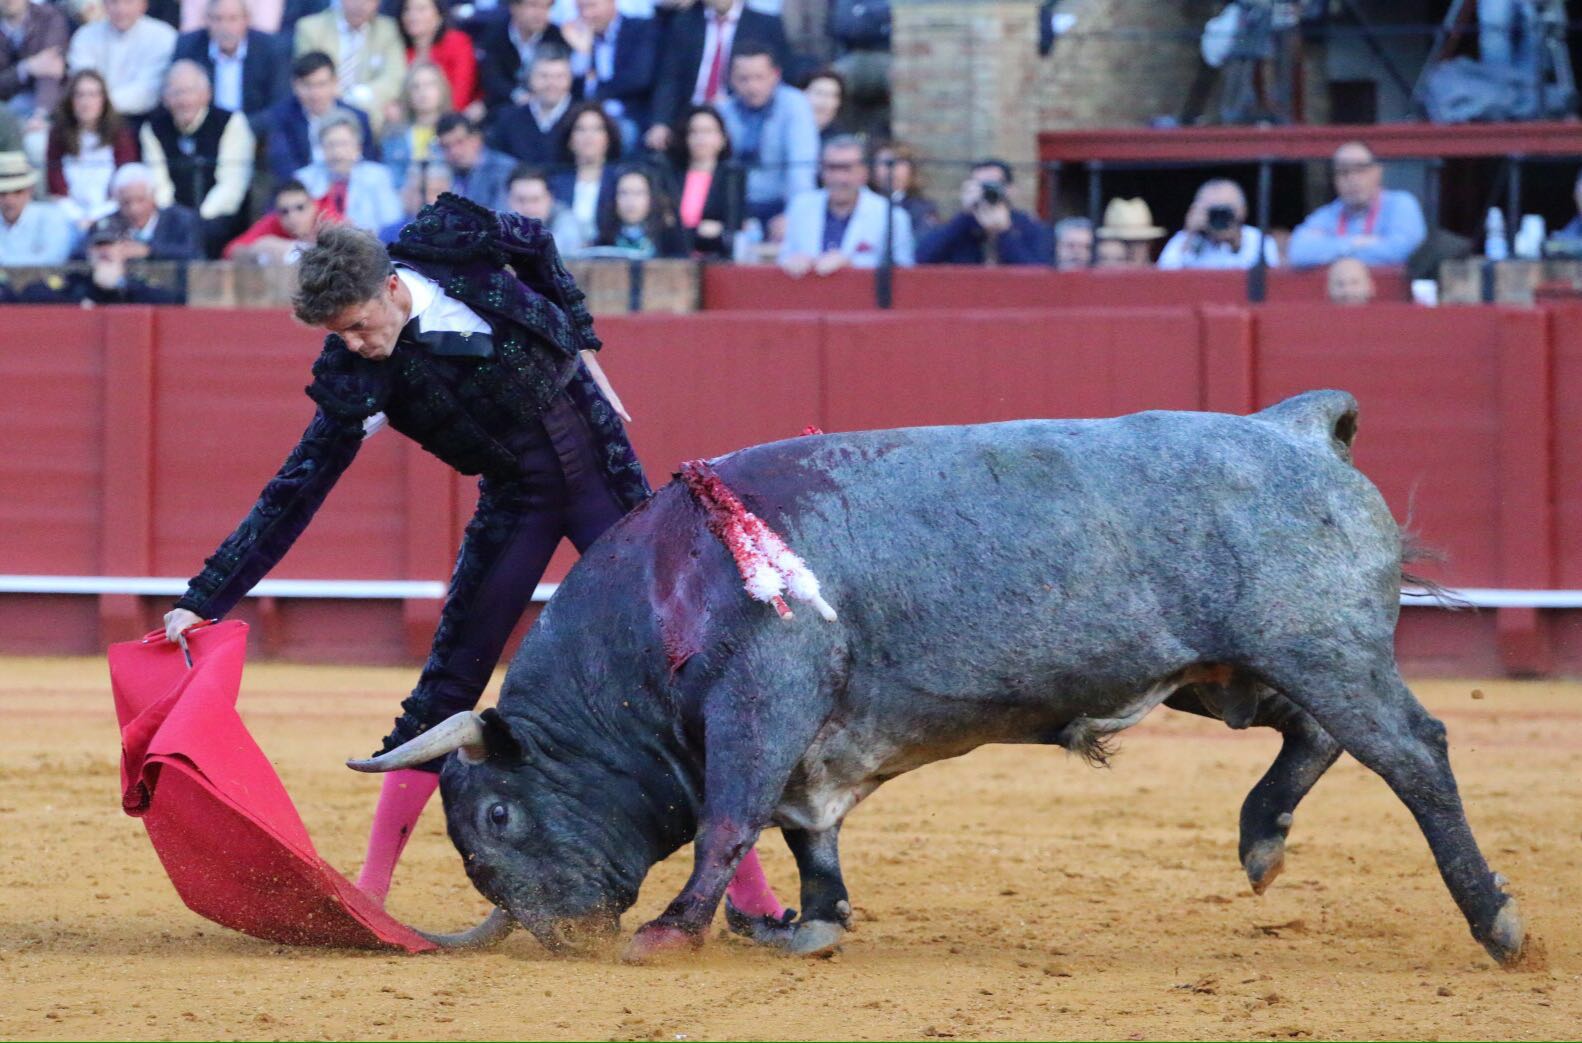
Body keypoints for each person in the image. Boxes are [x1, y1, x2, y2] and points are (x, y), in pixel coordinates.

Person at [159, 200, 794, 925]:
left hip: (603, 480)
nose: (358, 345)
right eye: (341, 334)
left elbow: (536, 239)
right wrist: (206, 595)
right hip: (519, 502)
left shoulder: (450, 248)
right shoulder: (358, 375)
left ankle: (752, 898)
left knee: (675, 667)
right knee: (448, 682)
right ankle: (372, 888)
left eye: (360, 325)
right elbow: (294, 490)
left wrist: (583, 343)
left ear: (392, 287)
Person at [139, 59, 255, 256]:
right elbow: (159, 183)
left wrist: (197, 220)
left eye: (190, 91)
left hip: (219, 215)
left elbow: (232, 185)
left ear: (206, 94)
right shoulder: (152, 129)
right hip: (172, 218)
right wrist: (176, 218)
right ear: (165, 98)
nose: (184, 100)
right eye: (176, 93)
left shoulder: (231, 123)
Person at [641, 0, 787, 151]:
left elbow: (778, 76)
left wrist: (733, 100)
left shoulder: (765, 25)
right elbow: (669, 78)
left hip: (741, 114)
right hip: (689, 113)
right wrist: (660, 122)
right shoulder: (684, 22)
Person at [778, 134, 912, 275]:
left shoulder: (891, 215)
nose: (838, 178)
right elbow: (785, 256)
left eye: (846, 169)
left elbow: (904, 271)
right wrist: (793, 262)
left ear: (864, 172)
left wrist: (852, 264)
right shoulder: (801, 206)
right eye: (831, 168)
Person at [717, 42, 815, 225]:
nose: (752, 86)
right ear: (731, 79)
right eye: (743, 79)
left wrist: (793, 216)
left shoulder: (795, 105)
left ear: (775, 76)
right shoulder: (723, 111)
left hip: (781, 204)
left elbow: (801, 167)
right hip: (734, 206)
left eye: (759, 77)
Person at [1287, 141, 1426, 269]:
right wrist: (1355, 242)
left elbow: (1400, 251)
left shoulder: (1401, 204)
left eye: (1360, 170)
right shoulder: (1327, 214)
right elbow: (1297, 253)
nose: (1352, 179)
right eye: (1343, 172)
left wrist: (1329, 248)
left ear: (1377, 172)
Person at [173, 0, 289, 135]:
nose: (225, 27)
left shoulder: (272, 49)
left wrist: (239, 131)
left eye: (233, 19)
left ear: (247, 20)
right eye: (217, 19)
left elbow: (280, 105)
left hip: (256, 133)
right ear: (206, 20)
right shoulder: (189, 46)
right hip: (204, 135)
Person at [263, 51, 378, 184]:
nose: (315, 93)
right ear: (295, 85)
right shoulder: (281, 117)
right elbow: (283, 166)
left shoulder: (358, 117)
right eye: (307, 85)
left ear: (335, 83)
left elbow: (368, 163)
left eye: (321, 84)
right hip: (302, 192)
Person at [46, 69, 139, 231]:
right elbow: (56, 188)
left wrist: (95, 217)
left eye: (93, 95)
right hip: (68, 216)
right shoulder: (57, 135)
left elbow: (125, 181)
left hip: (111, 213)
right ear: (71, 101)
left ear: (103, 99)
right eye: (80, 95)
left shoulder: (121, 135)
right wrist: (77, 218)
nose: (86, 102)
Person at [20, 211, 186, 301]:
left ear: (125, 248)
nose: (104, 251)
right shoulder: (77, 281)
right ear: (89, 251)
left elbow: (171, 300)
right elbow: (31, 293)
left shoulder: (136, 283)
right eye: (99, 245)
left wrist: (121, 285)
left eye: (111, 244)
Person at [293, 0, 405, 132]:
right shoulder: (311, 28)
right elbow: (308, 75)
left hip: (371, 107)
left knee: (394, 111)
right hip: (323, 102)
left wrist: (356, 96)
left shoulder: (387, 29)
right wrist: (337, 95)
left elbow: (394, 77)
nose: (361, 4)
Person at [916, 159, 1052, 266]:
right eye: (980, 186)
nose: (986, 192)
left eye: (992, 185)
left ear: (1010, 190)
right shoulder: (962, 226)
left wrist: (1005, 232)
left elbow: (1038, 274)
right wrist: (965, 215)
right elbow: (922, 258)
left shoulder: (1029, 226)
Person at [561, 0, 658, 150]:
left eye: (592, 6)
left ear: (611, 3)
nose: (587, 14)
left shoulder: (640, 29)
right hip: (585, 116)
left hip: (629, 114)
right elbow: (572, 88)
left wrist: (594, 86)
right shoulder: (572, 35)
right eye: (581, 8)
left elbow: (638, 79)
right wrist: (583, 53)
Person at [67, 0, 179, 120]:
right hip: (93, 120)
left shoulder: (163, 36)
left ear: (143, 5)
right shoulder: (85, 36)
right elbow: (83, 83)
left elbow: (149, 91)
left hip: (143, 119)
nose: (120, 9)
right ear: (104, 5)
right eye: (114, 2)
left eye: (128, 2)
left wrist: (101, 103)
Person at [295, 110, 403, 232]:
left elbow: (392, 223)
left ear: (358, 147)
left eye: (344, 144)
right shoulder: (304, 179)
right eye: (330, 144)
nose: (337, 152)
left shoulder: (378, 176)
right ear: (321, 148)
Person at [666, 103, 741, 258]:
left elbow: (733, 225)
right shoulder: (670, 176)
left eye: (708, 131)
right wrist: (697, 231)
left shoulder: (732, 175)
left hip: (716, 259)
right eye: (694, 132)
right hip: (674, 257)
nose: (701, 138)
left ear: (722, 138)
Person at [1156, 178, 1278, 270]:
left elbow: (1267, 281)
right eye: (1213, 212)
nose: (1220, 218)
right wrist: (1190, 235)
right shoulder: (1184, 240)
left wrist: (1236, 243)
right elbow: (1165, 276)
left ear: (1242, 211)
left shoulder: (1258, 240)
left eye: (1225, 211)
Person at [485, 45, 573, 167]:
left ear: (570, 79)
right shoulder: (508, 118)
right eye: (544, 76)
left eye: (559, 77)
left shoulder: (582, 118)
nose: (552, 84)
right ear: (530, 78)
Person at [474, 0, 566, 116]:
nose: (540, 13)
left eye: (546, 7)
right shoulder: (495, 34)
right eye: (534, 6)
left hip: (546, 106)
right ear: (514, 8)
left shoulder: (556, 37)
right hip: (502, 103)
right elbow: (492, 77)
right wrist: (517, 95)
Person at [549, 100, 618, 245]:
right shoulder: (555, 182)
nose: (589, 136)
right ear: (570, 139)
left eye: (597, 129)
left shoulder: (620, 180)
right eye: (580, 129)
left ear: (608, 138)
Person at [396, 0, 477, 120]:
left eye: (421, 9)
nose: (412, 16)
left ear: (439, 16)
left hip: (451, 121)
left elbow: (461, 93)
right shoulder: (399, 50)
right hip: (410, 123)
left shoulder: (457, 43)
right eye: (407, 10)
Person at [106, 160, 204, 259]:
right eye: (126, 202)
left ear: (153, 197)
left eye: (140, 200)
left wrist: (149, 251)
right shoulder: (107, 225)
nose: (134, 209)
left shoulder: (180, 220)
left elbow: (194, 254)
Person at [379, 61, 452, 187]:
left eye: (430, 85)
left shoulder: (456, 133)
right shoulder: (393, 136)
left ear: (442, 89)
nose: (422, 92)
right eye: (415, 87)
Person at [223, 175, 330, 261]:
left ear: (314, 206)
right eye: (284, 211)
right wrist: (258, 252)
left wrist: (293, 248)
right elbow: (231, 251)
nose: (292, 216)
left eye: (300, 208)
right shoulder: (274, 221)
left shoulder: (327, 218)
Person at [0, 0, 70, 125]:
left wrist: (41, 114)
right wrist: (26, 67)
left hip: (48, 103)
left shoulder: (48, 17)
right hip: (6, 106)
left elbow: (51, 69)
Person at [594, 163, 683, 257]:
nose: (630, 201)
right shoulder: (603, 241)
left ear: (651, 197)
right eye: (624, 193)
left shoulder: (669, 240)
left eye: (638, 193)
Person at [0, 149, 72, 263]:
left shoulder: (52, 217)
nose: (9, 200)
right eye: (3, 193)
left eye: (17, 192)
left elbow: (52, 259)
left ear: (30, 191)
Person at [434, 111, 515, 209]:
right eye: (446, 146)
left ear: (476, 139)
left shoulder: (504, 169)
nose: (454, 151)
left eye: (460, 142)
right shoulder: (446, 172)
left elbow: (501, 217)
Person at [504, 162, 583, 253]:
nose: (528, 208)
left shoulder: (566, 222)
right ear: (508, 200)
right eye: (521, 200)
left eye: (535, 200)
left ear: (550, 199)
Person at [870, 139, 935, 236]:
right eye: (884, 163)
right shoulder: (862, 204)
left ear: (911, 170)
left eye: (899, 163)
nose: (891, 170)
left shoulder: (921, 208)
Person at [378, 157, 448, 241]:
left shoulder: (461, 235)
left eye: (436, 192)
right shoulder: (389, 235)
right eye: (421, 191)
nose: (429, 198)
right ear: (407, 194)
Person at [1094, 197, 1163, 268]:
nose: (1130, 250)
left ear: (1149, 244)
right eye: (1123, 241)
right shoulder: (1094, 274)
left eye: (1137, 242)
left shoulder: (1161, 276)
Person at [802, 67, 844, 143]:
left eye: (832, 95)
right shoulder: (784, 132)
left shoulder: (841, 140)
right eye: (819, 93)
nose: (824, 101)